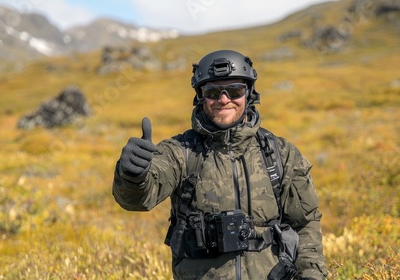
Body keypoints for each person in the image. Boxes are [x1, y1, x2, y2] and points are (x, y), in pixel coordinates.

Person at [112, 49, 328, 280]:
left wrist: (311, 276)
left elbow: (305, 224)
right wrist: (132, 175)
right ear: (200, 97)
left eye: (235, 90)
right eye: (213, 92)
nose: (224, 99)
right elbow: (136, 199)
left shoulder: (280, 153)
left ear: (249, 94)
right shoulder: (180, 152)